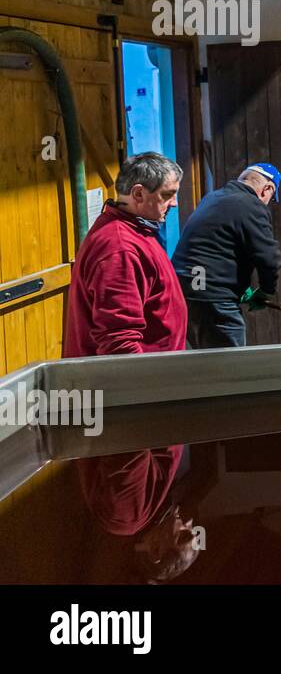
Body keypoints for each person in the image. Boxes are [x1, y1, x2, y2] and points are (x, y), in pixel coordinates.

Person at [64, 152, 199, 582]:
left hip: (146, 401)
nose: (173, 204)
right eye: (168, 195)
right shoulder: (120, 246)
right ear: (137, 195)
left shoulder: (130, 236)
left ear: (156, 547)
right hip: (133, 406)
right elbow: (121, 347)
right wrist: (147, 406)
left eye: (182, 537)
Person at [172, 163, 281, 348]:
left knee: (197, 367)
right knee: (231, 369)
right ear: (267, 189)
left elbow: (214, 246)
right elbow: (269, 258)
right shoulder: (252, 205)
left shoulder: (212, 198)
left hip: (182, 294)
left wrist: (239, 286)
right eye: (271, 197)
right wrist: (266, 290)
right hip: (215, 299)